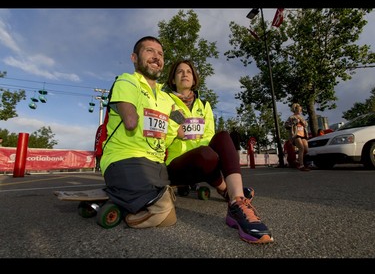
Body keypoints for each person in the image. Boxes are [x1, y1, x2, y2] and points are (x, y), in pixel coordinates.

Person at [164, 59, 274, 244]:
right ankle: (224, 189)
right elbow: (158, 135)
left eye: (189, 72)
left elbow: (208, 135)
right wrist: (175, 132)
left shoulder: (204, 105)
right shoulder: (164, 101)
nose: (185, 74)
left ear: (194, 78)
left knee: (221, 136)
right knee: (203, 155)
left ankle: (237, 202)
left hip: (203, 160)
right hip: (176, 165)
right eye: (180, 72)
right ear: (173, 79)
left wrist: (197, 141)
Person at [99, 36, 183, 229]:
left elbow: (181, 130)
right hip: (125, 158)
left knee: (162, 200)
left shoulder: (166, 97)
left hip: (156, 163)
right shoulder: (127, 82)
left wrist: (176, 107)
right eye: (149, 51)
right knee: (165, 211)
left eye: (160, 54)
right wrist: (155, 113)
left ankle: (131, 201)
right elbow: (130, 122)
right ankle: (143, 203)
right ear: (134, 58)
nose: (156, 57)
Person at [285, 103, 310, 171]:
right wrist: (294, 122)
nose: (300, 111)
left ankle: (298, 160)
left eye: (301, 110)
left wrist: (303, 122)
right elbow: (286, 125)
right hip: (296, 135)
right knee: (301, 148)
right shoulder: (291, 117)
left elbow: (306, 125)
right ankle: (301, 165)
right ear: (295, 110)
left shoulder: (302, 117)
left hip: (303, 134)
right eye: (299, 110)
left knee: (306, 149)